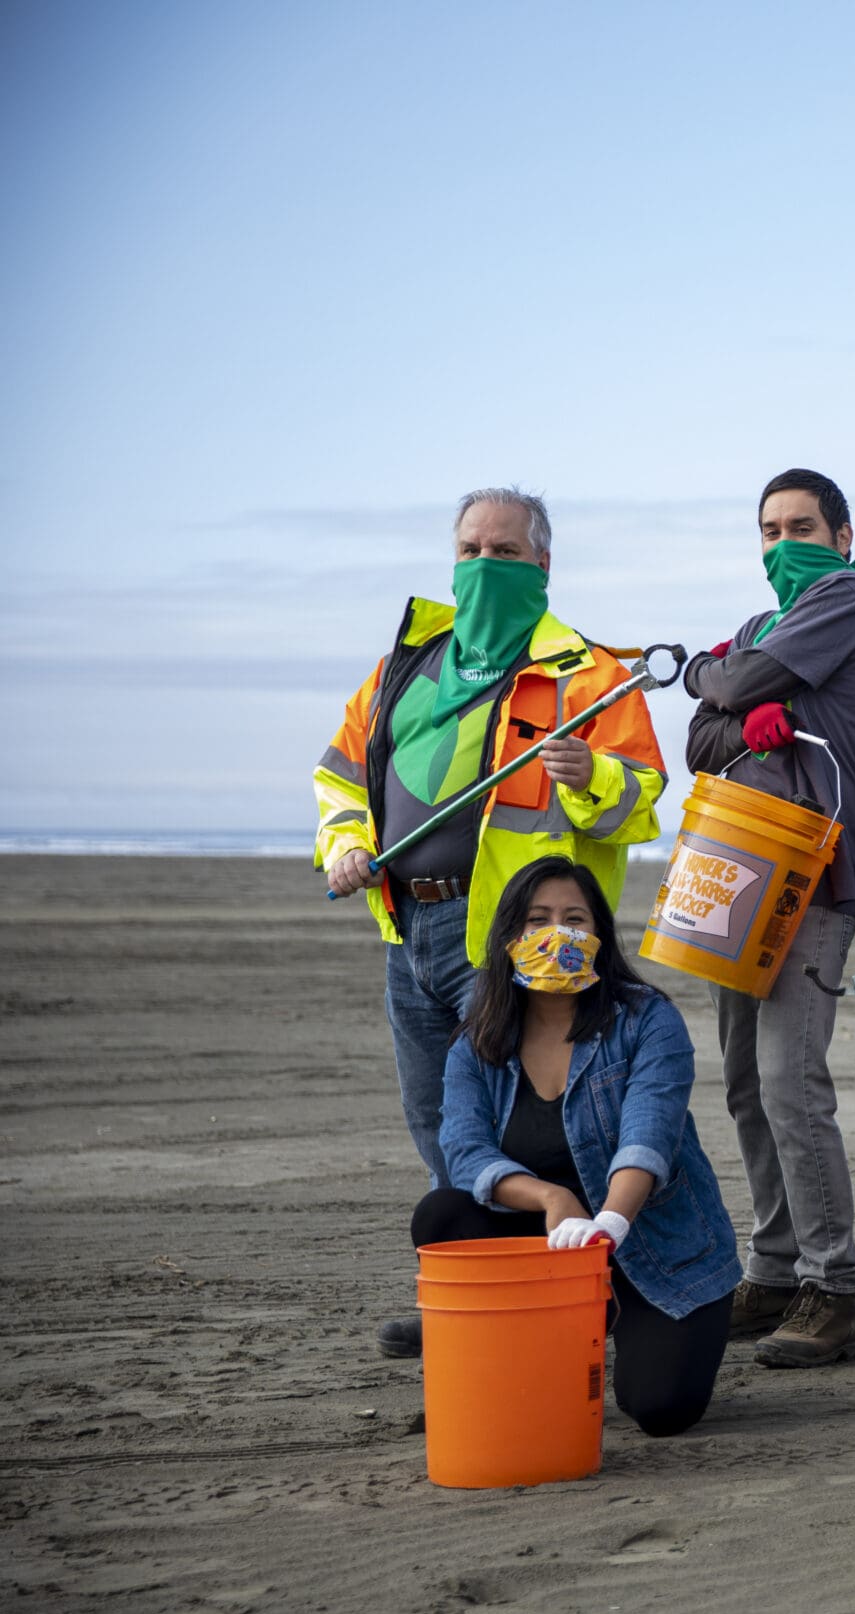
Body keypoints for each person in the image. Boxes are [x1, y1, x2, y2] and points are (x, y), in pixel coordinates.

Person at [315, 486, 669, 1360]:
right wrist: (345, 845)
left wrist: (590, 774)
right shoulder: (407, 665)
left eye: (504, 551)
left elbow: (640, 804)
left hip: (519, 948)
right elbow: (339, 774)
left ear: (542, 563)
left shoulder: (590, 676)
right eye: (470, 548)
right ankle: (470, 1306)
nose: (483, 564)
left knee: (545, 1128)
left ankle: (575, 1290)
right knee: (442, 1129)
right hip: (411, 932)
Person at [412, 857, 741, 1438]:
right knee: (443, 1214)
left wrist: (609, 1223)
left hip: (652, 1247)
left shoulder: (647, 1019)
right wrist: (551, 1198)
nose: (556, 934)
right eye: (538, 919)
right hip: (546, 1240)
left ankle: (615, 1310)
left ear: (599, 935)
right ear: (510, 936)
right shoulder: (479, 1040)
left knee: (661, 1409)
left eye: (575, 918)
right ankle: (533, 1346)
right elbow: (465, 1152)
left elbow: (650, 1133)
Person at [680, 468, 855, 1370]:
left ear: (842, 535)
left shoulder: (852, 597)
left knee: (788, 1080)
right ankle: (773, 1266)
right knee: (741, 1080)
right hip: (741, 866)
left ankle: (831, 1288)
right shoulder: (766, 621)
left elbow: (739, 679)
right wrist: (737, 712)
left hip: (817, 870)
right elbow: (698, 741)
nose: (783, 544)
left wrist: (706, 672)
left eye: (801, 526)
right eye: (769, 529)